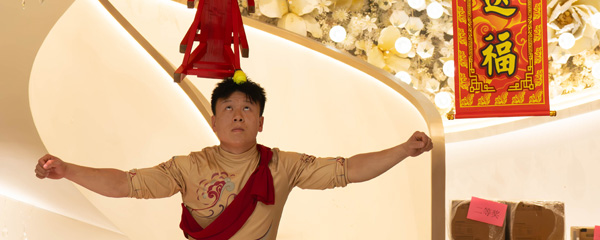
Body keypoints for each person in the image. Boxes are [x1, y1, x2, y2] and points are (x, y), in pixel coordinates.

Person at [35, 71, 433, 240]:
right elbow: (126, 184)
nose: (238, 115)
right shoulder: (188, 166)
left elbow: (347, 170)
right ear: (214, 121)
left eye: (247, 108)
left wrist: (403, 150)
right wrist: (67, 170)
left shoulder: (283, 165)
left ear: (261, 121)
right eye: (228, 108)